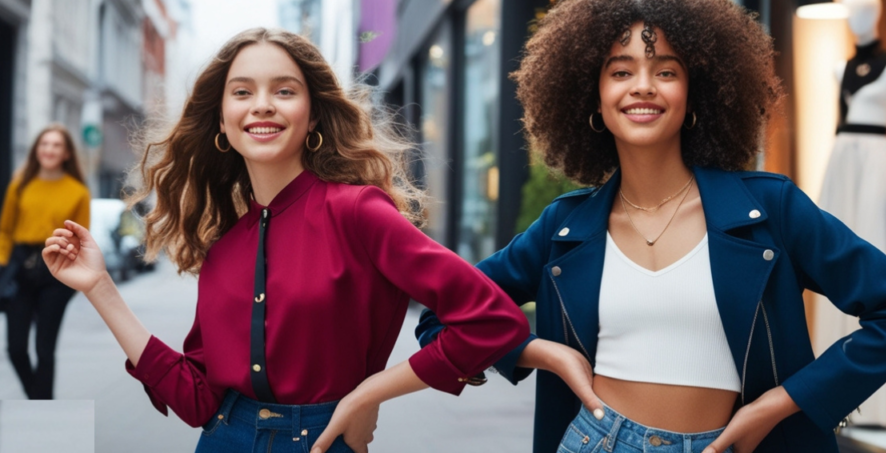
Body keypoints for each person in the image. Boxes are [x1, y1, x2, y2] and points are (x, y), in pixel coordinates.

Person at [417, 0, 886, 453]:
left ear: (694, 96)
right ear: (593, 99)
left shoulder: (771, 209)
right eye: (620, 71)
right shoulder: (563, 227)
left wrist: (781, 404)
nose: (643, 86)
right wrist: (543, 354)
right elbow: (445, 314)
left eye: (665, 71)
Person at [42, 28, 530, 453]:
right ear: (220, 119)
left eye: (284, 90)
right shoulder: (225, 245)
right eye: (242, 92)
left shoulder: (358, 212)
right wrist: (99, 287)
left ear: (313, 115)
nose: (262, 105)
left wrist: (370, 393)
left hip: (324, 442)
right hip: (222, 439)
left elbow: (491, 321)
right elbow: (196, 401)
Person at [0, 124, 90, 399]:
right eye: (44, 144)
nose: (49, 150)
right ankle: (38, 400)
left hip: (57, 273)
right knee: (15, 349)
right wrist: (3, 267)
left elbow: (80, 239)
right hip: (20, 268)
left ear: (66, 154)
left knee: (45, 350)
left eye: (56, 145)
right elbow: (5, 230)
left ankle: (43, 412)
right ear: (37, 150)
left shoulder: (78, 192)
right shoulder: (20, 185)